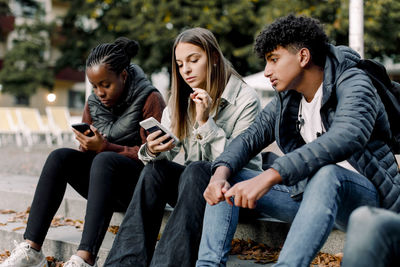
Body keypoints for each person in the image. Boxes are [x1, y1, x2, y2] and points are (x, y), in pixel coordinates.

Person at [196, 14, 400, 267]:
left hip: (364, 201)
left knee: (327, 174)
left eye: (274, 59)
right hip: (309, 198)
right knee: (230, 175)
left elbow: (347, 135)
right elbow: (248, 139)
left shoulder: (355, 81)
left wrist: (269, 176)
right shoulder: (289, 98)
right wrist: (219, 175)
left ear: (303, 56)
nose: (267, 71)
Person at [0, 37, 166, 267]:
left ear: (124, 76)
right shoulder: (93, 103)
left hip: (137, 189)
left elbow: (157, 158)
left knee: (105, 159)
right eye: (95, 86)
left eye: (105, 85)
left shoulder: (151, 98)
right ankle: (32, 250)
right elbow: (86, 154)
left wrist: (106, 147)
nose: (99, 92)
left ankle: (84, 258)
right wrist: (87, 146)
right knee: (59, 157)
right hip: (103, 184)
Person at [104, 27, 262, 267]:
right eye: (179, 64)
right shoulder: (180, 99)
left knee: (198, 169)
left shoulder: (246, 99)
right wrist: (154, 149)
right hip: (194, 192)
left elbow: (236, 159)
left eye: (194, 60)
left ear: (214, 59)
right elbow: (167, 154)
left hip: (237, 194)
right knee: (155, 170)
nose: (185, 70)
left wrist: (205, 121)